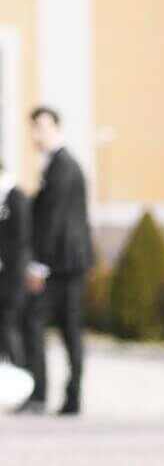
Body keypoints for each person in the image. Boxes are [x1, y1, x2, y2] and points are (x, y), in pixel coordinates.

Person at [16, 108, 93, 416]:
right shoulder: (55, 165)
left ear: (56, 128)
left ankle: (50, 396)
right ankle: (55, 396)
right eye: (34, 128)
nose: (36, 134)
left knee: (48, 326)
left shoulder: (63, 166)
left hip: (64, 266)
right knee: (63, 329)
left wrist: (38, 265)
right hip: (64, 264)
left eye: (42, 127)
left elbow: (53, 221)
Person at [0, 158, 30, 366]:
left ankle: (20, 373)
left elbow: (21, 239)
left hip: (12, 278)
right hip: (5, 277)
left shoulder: (16, 197)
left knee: (9, 327)